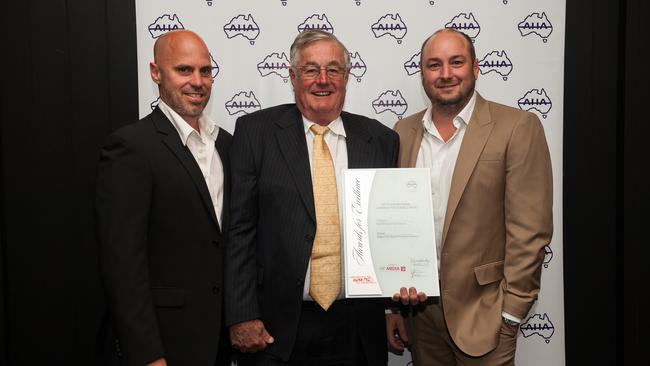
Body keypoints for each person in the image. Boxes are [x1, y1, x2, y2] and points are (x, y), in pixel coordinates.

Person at [224, 30, 399, 366]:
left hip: (357, 326)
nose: (323, 80)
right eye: (310, 70)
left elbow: (389, 232)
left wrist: (396, 300)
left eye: (333, 70)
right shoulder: (254, 133)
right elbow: (239, 231)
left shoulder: (380, 139)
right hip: (275, 328)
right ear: (292, 77)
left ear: (347, 78)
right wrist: (241, 314)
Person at [387, 28, 553, 365]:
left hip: (486, 316)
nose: (446, 74)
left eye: (456, 62)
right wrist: (393, 306)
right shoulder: (402, 132)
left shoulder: (517, 127)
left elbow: (530, 230)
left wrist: (511, 314)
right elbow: (392, 224)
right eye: (434, 65)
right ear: (422, 74)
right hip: (421, 317)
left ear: (475, 68)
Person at [95, 30, 231, 366]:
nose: (197, 81)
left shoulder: (228, 144)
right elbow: (123, 265)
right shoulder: (131, 147)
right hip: (164, 343)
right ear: (156, 73)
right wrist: (147, 354)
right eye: (183, 70)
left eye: (205, 70)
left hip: (220, 343)